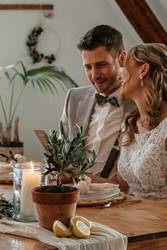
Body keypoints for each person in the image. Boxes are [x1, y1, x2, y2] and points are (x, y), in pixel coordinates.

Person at [59, 25, 134, 178]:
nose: (94, 75)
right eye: (88, 67)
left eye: (101, 65)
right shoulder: (74, 98)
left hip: (119, 197)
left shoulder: (139, 103)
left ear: (121, 58)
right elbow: (58, 153)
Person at [117, 43, 167, 199]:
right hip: (129, 217)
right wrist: (77, 179)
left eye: (124, 66)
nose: (119, 76)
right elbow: (122, 187)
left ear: (143, 70)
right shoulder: (129, 122)